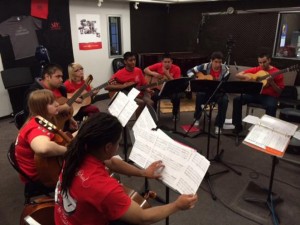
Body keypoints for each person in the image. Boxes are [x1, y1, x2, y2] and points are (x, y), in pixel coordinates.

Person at [54, 112, 198, 225]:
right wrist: (177, 205)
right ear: (108, 147)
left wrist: (144, 173)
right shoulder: (103, 188)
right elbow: (143, 217)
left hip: (64, 219)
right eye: (118, 143)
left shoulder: (76, 152)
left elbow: (112, 162)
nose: (118, 146)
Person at [15, 89, 67, 185]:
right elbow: (43, 148)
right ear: (41, 107)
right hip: (41, 174)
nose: (57, 104)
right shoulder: (35, 127)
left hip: (45, 165)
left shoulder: (41, 120)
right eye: (52, 103)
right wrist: (67, 150)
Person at [232, 53, 284, 133]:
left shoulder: (277, 72)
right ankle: (237, 125)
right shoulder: (257, 69)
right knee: (237, 100)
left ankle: (268, 130)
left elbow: (279, 91)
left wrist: (272, 83)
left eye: (264, 62)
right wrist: (248, 77)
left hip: (269, 96)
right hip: (254, 94)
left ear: (269, 60)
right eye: (260, 62)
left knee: (272, 106)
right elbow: (237, 75)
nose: (262, 64)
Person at [24, 63, 78, 131]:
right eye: (58, 76)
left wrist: (70, 119)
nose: (61, 79)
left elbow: (63, 105)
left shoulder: (62, 89)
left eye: (61, 76)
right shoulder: (34, 92)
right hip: (44, 129)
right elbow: (35, 114)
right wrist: (63, 107)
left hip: (62, 126)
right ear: (47, 77)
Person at [187, 51, 230, 134]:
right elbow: (189, 71)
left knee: (224, 100)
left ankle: (218, 125)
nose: (218, 64)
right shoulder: (205, 66)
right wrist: (194, 78)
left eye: (220, 62)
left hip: (218, 92)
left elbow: (224, 84)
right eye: (216, 62)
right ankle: (197, 118)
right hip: (205, 91)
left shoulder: (226, 69)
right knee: (199, 95)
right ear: (211, 61)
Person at [105, 51, 153, 116]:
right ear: (125, 62)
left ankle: (147, 120)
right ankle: (137, 122)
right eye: (130, 60)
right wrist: (122, 86)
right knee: (141, 103)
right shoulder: (119, 73)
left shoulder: (138, 70)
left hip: (140, 93)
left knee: (151, 103)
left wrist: (148, 89)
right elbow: (107, 87)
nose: (133, 62)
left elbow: (144, 84)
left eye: (134, 60)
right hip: (128, 96)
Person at [144, 53, 181, 119]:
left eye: (169, 62)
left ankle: (175, 114)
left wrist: (167, 74)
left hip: (171, 89)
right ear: (162, 62)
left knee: (177, 96)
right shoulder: (158, 65)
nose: (167, 63)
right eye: (165, 62)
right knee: (154, 96)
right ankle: (154, 115)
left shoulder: (176, 68)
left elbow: (177, 83)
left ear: (172, 62)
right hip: (158, 89)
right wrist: (153, 73)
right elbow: (145, 70)